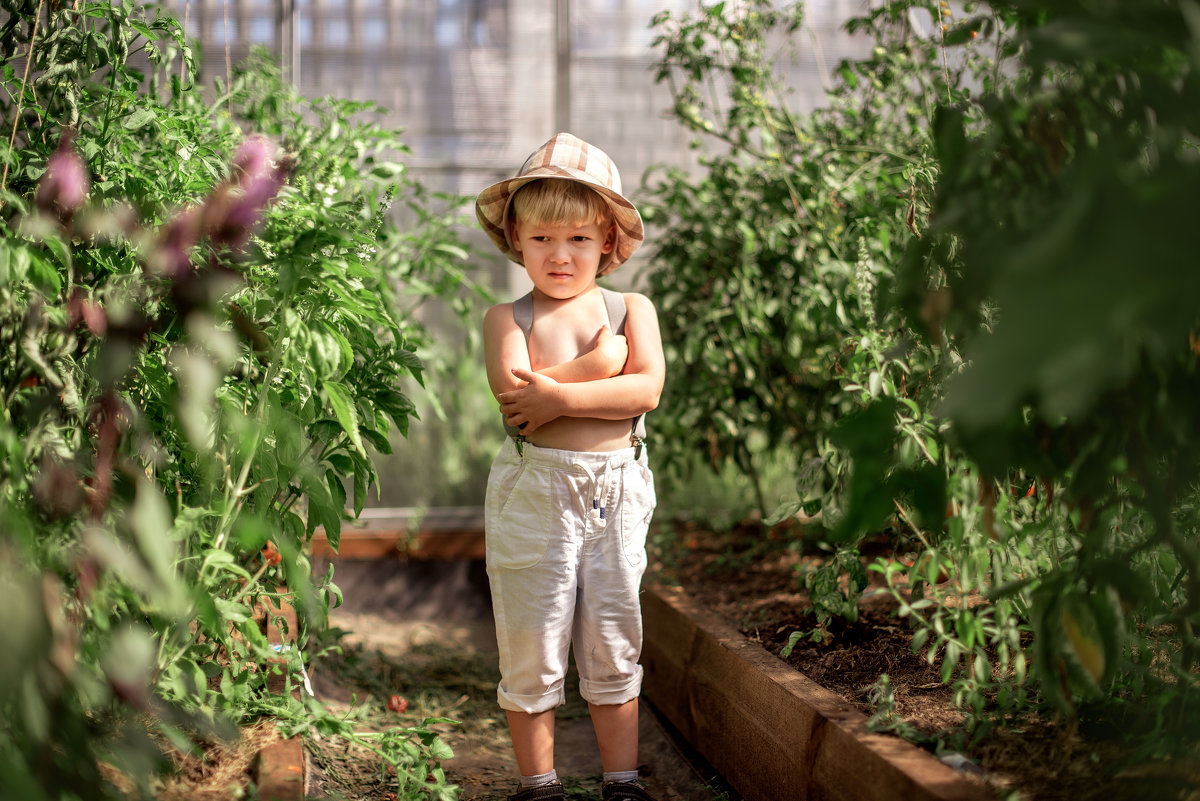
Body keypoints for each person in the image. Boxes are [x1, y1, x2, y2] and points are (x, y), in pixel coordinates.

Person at [476, 133, 665, 801]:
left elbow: (643, 392)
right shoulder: (508, 318)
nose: (560, 255)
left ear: (608, 241)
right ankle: (541, 784)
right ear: (517, 242)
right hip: (536, 492)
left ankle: (622, 781)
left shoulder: (630, 310)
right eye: (543, 240)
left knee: (615, 637)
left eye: (579, 239)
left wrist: (555, 392)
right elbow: (519, 405)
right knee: (532, 635)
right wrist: (586, 374)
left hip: (615, 493)